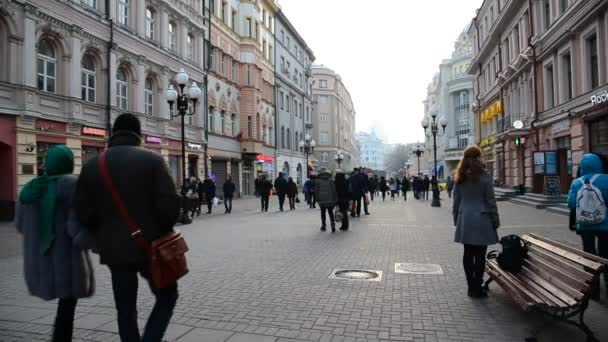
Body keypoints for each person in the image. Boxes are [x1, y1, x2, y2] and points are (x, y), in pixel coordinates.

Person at [75, 113, 180, 342]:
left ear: (114, 133)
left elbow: (82, 211)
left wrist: (104, 232)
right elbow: (169, 206)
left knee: (124, 307)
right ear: (138, 134)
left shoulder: (93, 165)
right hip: (150, 246)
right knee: (167, 295)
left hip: (114, 250)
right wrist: (160, 231)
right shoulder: (152, 160)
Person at [17, 146, 95, 342]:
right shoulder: (73, 185)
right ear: (68, 163)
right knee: (67, 308)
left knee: (65, 309)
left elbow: (20, 225)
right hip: (66, 262)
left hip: (40, 261)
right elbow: (76, 231)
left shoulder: (31, 188)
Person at [452, 146, 500, 299]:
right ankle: (477, 287)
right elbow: (491, 201)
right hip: (482, 219)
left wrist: (456, 220)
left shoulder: (459, 176)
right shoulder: (484, 176)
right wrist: (495, 220)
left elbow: (456, 201)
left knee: (468, 253)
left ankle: (470, 286)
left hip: (465, 218)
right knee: (480, 255)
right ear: (478, 157)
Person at [568, 153, 608, 297]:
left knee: (589, 254)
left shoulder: (577, 182)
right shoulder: (606, 180)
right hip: (605, 225)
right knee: (605, 255)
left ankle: (593, 288)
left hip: (585, 225)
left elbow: (571, 203)